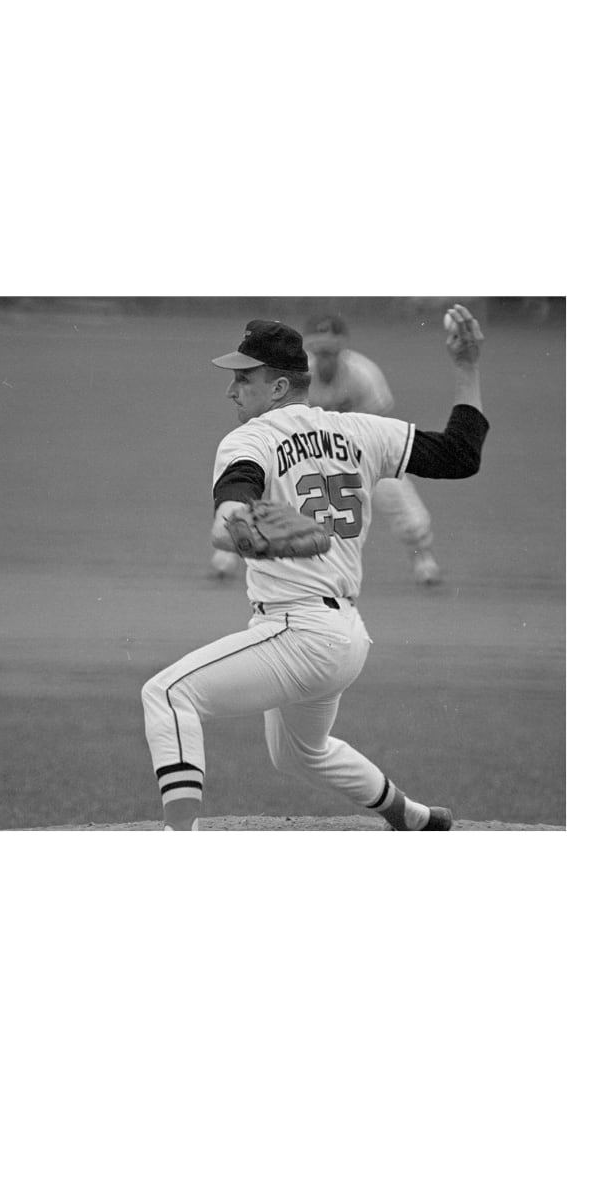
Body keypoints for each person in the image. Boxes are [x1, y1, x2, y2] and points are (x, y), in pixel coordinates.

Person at [141, 311, 488, 831]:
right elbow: (461, 455)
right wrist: (466, 368)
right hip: (346, 638)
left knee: (168, 695)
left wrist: (232, 527)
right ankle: (415, 818)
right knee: (300, 752)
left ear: (279, 385)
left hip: (298, 635)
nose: (232, 390)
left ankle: (179, 838)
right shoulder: (363, 431)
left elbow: (234, 503)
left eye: (244, 377)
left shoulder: (248, 441)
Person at [307, 314, 446, 585]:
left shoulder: (364, 374)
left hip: (366, 453)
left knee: (404, 506)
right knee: (279, 494)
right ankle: (230, 556)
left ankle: (423, 558)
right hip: (316, 454)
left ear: (341, 349)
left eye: (330, 351)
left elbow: (380, 424)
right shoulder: (301, 377)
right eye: (319, 351)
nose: (325, 358)